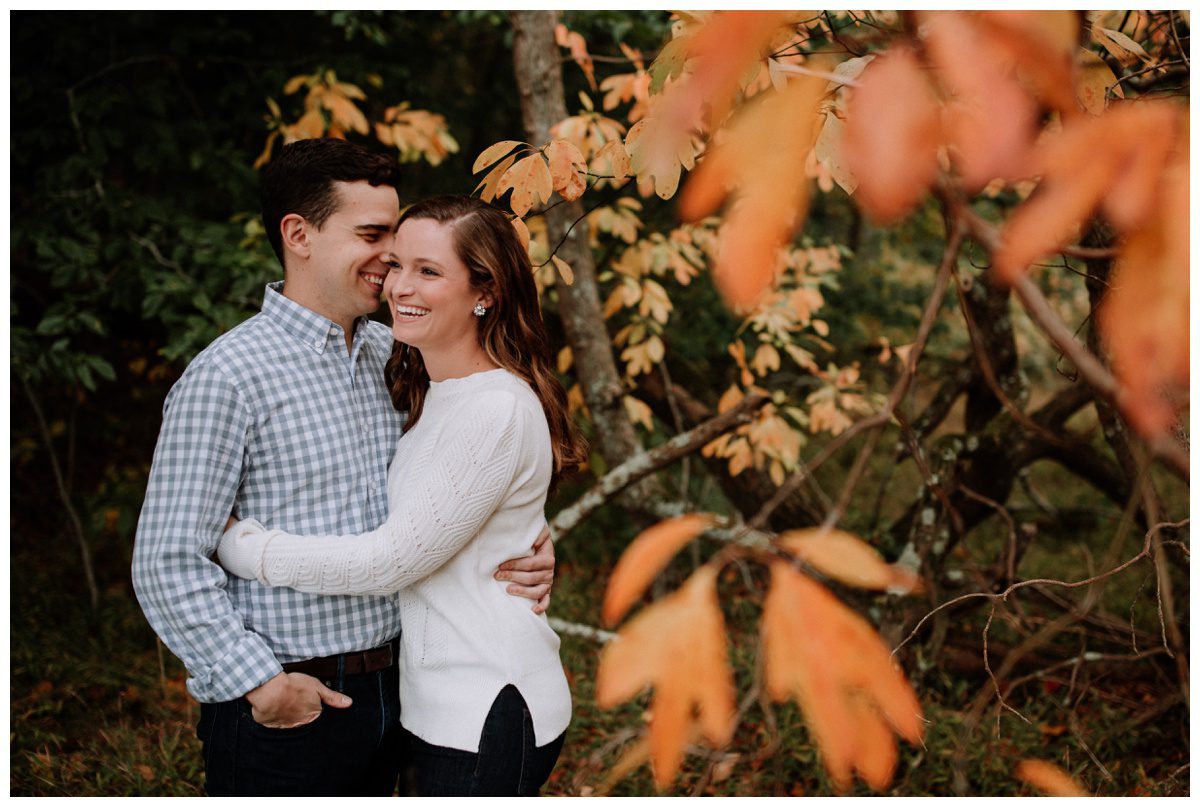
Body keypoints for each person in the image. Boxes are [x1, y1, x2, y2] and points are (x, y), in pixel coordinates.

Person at [131, 141, 555, 797]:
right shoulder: (229, 377)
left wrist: (524, 536)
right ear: (298, 234)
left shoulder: (400, 351)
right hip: (294, 701)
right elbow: (165, 559)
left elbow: (464, 475)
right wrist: (260, 683)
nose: (391, 254)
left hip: (406, 693)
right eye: (373, 233)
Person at [216, 195, 588, 796]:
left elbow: (389, 560)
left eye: (429, 271)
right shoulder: (433, 387)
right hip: (433, 703)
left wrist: (240, 545)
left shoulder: (493, 407)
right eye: (397, 265)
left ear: (484, 291)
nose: (399, 286)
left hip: (485, 700)